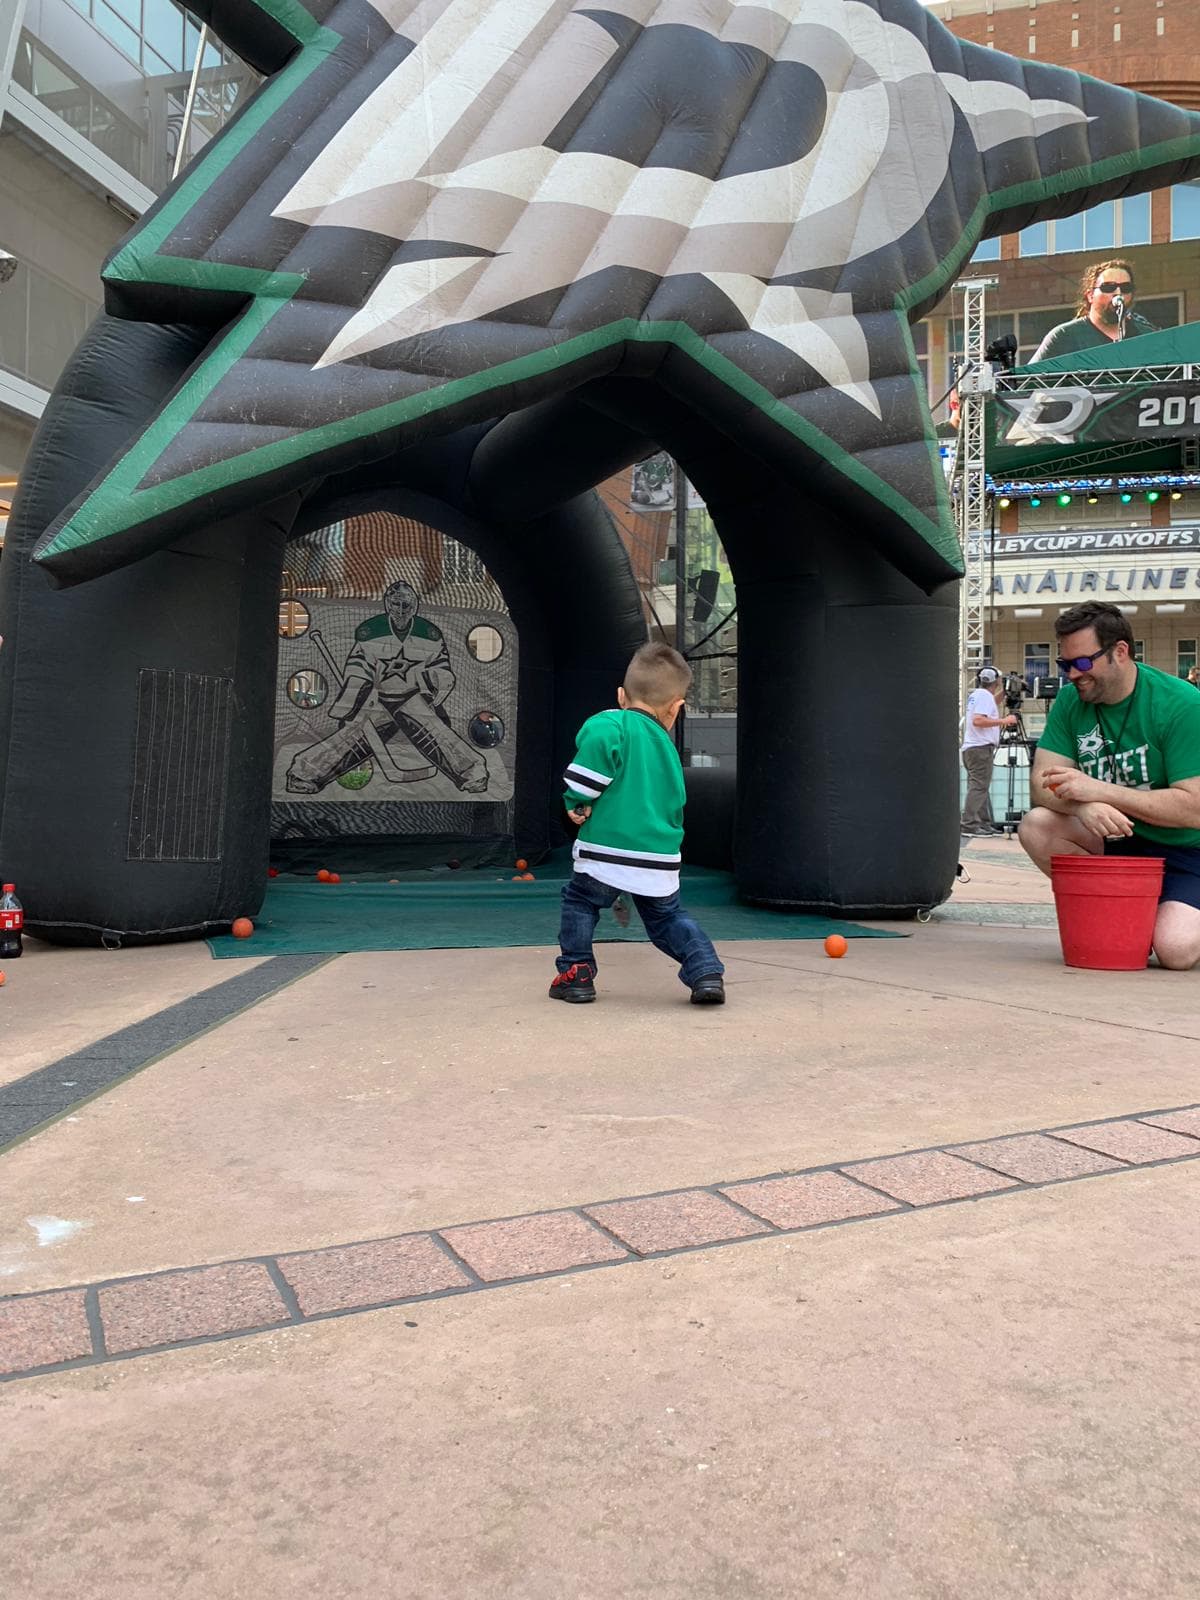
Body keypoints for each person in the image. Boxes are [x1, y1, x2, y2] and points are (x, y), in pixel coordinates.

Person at [1017, 600, 1200, 970]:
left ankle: (1163, 916)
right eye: (1065, 665)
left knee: (1176, 951)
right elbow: (1041, 784)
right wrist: (1082, 806)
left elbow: (1193, 808)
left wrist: (1100, 792)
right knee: (1037, 825)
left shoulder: (1182, 704)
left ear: (1120, 652)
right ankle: (1122, 915)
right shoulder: (1071, 700)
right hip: (1119, 840)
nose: (1073, 675)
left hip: (1187, 849)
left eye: (1083, 663)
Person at [550, 642, 726, 1005]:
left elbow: (584, 778)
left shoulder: (612, 722)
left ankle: (576, 972)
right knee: (666, 919)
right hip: (658, 856)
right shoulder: (668, 751)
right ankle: (705, 969)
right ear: (676, 709)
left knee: (581, 902)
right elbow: (676, 804)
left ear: (620, 695)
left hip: (605, 851)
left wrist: (576, 801)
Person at [286, 579, 488, 794]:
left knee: (436, 731)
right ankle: (302, 774)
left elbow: (441, 668)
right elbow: (358, 668)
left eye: (406, 605)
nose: (400, 611)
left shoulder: (430, 634)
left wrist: (433, 692)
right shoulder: (371, 631)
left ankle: (473, 774)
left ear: (415, 606)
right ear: (387, 605)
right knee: (352, 734)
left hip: (412, 697)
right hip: (377, 697)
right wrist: (351, 704)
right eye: (395, 604)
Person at [1031, 260, 1156, 362]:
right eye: (1108, 287)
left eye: (1125, 288)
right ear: (1090, 295)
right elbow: (1027, 383)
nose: (1118, 293)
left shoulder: (1147, 335)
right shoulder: (1064, 336)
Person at [961, 666, 1017, 835]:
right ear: (996, 680)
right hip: (980, 748)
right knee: (979, 787)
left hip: (972, 748)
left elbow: (991, 704)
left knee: (980, 786)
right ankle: (969, 824)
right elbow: (978, 720)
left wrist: (1006, 693)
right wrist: (1005, 720)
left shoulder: (979, 695)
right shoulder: (984, 696)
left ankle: (983, 823)